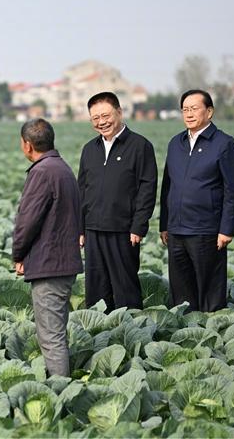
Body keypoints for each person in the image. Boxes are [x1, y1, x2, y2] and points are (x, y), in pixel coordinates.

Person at [160, 89, 234, 312]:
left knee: (209, 290)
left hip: (206, 229)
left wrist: (226, 229)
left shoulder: (224, 144)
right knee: (181, 290)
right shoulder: (175, 143)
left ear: (209, 112)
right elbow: (168, 185)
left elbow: (233, 190)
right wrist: (164, 224)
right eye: (185, 109)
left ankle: (213, 330)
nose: (189, 114)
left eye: (194, 108)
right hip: (177, 229)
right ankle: (185, 330)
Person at [13, 118, 83, 377]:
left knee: (51, 337)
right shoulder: (63, 168)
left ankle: (60, 393)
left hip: (48, 265)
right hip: (65, 263)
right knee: (57, 332)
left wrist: (18, 254)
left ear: (27, 145)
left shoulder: (41, 172)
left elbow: (27, 221)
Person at [77, 92, 157, 311]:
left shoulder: (140, 146)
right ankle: (99, 335)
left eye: (105, 115)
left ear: (119, 112)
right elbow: (81, 190)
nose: (101, 122)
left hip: (123, 230)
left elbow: (147, 189)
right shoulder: (89, 149)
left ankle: (130, 332)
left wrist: (138, 225)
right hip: (92, 229)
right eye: (95, 118)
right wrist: (80, 228)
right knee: (95, 288)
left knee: (125, 288)